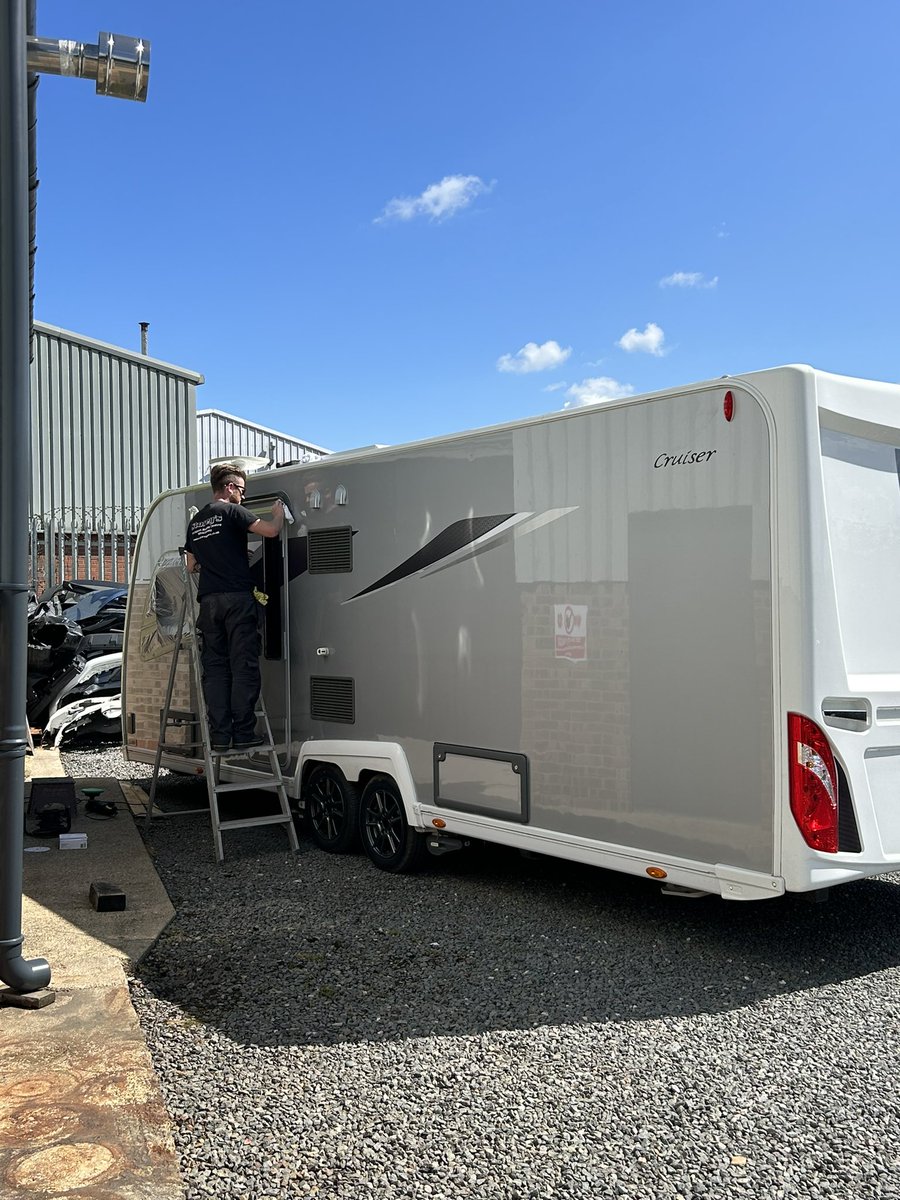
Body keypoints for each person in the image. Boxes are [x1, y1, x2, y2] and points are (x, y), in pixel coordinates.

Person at [185, 464, 284, 752]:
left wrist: (220, 558)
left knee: (215, 668)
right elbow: (270, 532)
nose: (243, 495)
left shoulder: (196, 522)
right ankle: (243, 733)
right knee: (243, 666)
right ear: (229, 488)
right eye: (241, 489)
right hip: (237, 600)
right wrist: (277, 516)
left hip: (209, 602)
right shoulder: (232, 511)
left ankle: (219, 736)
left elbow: (191, 566)